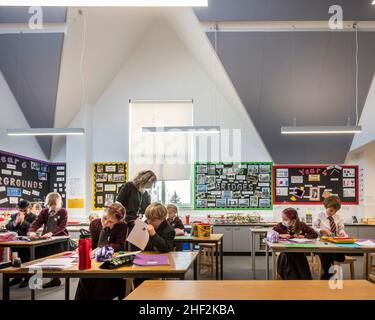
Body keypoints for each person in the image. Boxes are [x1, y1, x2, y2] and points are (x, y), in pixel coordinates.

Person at [75, 203, 128, 300]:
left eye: (111, 222)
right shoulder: (95, 223)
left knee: (102, 281)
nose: (106, 223)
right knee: (85, 277)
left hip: (111, 262)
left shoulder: (122, 226)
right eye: (104, 218)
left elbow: (120, 245)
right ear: (103, 213)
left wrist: (103, 247)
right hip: (94, 260)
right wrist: (86, 247)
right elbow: (92, 243)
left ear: (118, 221)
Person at [28, 192, 69, 288]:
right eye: (50, 205)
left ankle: (55, 279)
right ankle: (37, 279)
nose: (53, 207)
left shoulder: (63, 212)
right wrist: (32, 231)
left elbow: (62, 226)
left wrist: (52, 233)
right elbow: (36, 223)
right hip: (47, 238)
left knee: (55, 257)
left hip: (60, 238)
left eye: (55, 204)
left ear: (59, 203)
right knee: (39, 255)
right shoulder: (44, 212)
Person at [133, 203, 175, 288]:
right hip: (143, 260)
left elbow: (166, 249)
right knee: (137, 280)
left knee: (153, 285)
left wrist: (154, 235)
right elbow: (134, 244)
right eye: (147, 218)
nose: (148, 222)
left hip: (159, 262)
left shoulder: (169, 230)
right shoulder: (146, 223)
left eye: (152, 220)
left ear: (162, 218)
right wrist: (135, 230)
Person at [273, 207, 318, 280]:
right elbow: (268, 234)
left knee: (296, 254)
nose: (283, 221)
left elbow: (314, 234)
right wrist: (280, 235)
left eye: (285, 219)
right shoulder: (280, 226)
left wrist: (303, 236)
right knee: (289, 255)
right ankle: (298, 277)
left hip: (298, 249)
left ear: (293, 220)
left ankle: (293, 277)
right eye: (282, 218)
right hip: (285, 250)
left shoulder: (301, 225)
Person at [313, 195, 346, 280]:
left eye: (335, 211)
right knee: (325, 255)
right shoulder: (319, 215)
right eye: (330, 210)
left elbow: (341, 228)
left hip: (335, 243)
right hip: (322, 243)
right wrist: (321, 231)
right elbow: (313, 228)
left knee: (338, 254)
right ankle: (329, 274)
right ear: (326, 206)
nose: (332, 213)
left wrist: (341, 233)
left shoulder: (338, 217)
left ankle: (327, 275)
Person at [6, 200, 37, 288]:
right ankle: (17, 277)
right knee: (15, 259)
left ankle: (27, 278)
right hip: (15, 242)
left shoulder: (34, 217)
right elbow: (8, 226)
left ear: (29, 208)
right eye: (20, 210)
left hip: (28, 242)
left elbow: (32, 228)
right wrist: (15, 222)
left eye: (24, 210)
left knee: (26, 260)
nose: (22, 212)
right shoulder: (14, 215)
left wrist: (23, 221)